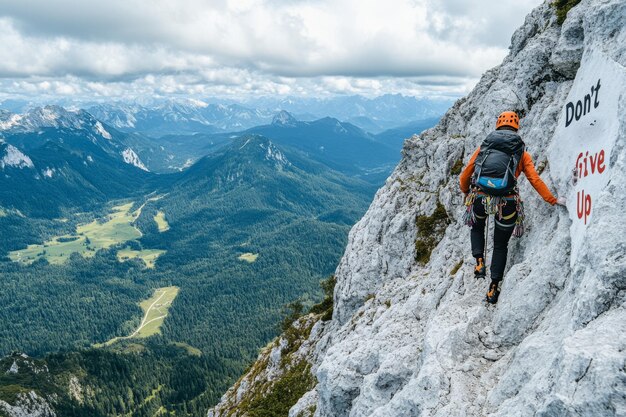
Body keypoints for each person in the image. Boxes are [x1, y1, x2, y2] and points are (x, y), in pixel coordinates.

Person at [459, 111, 563, 304]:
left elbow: (466, 174)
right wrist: (552, 199)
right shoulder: (521, 152)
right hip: (507, 203)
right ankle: (493, 288)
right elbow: (534, 179)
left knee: (477, 226)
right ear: (516, 127)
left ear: (498, 126)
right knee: (500, 245)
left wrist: (466, 191)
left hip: (480, 198)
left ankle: (479, 262)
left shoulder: (484, 147)